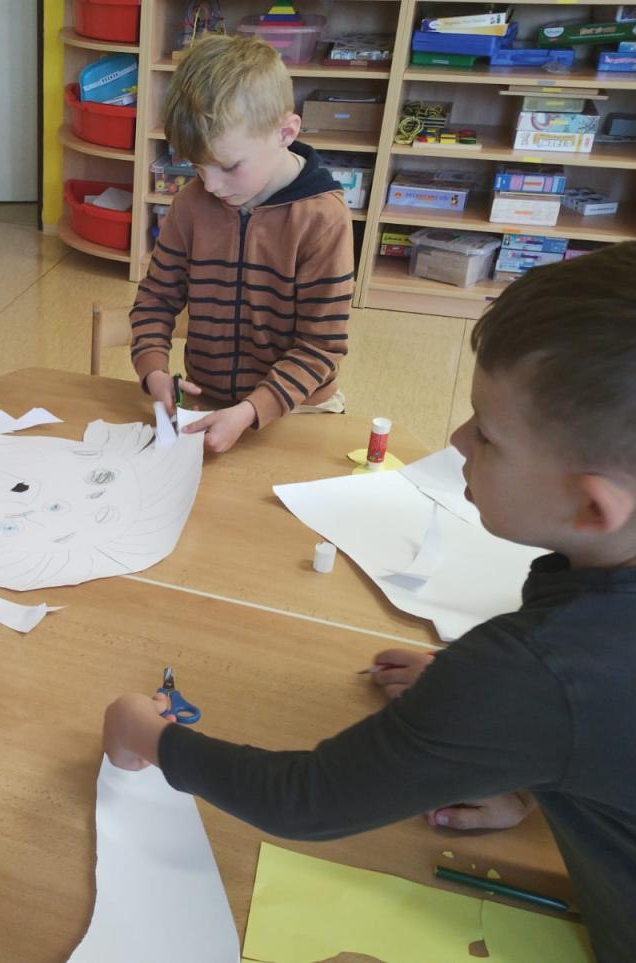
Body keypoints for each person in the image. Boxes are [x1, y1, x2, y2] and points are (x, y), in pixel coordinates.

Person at [103, 243, 636, 960]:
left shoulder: (535, 675)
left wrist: (149, 737)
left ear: (594, 507)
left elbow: (306, 799)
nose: (457, 440)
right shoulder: (556, 669)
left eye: (487, 434)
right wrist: (513, 752)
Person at [130, 34, 353, 454]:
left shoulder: (322, 218)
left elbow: (321, 345)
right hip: (209, 401)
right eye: (198, 167)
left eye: (229, 166)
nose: (211, 185)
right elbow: (156, 299)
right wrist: (154, 371)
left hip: (301, 410)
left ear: (285, 132)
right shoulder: (192, 203)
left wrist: (252, 410)